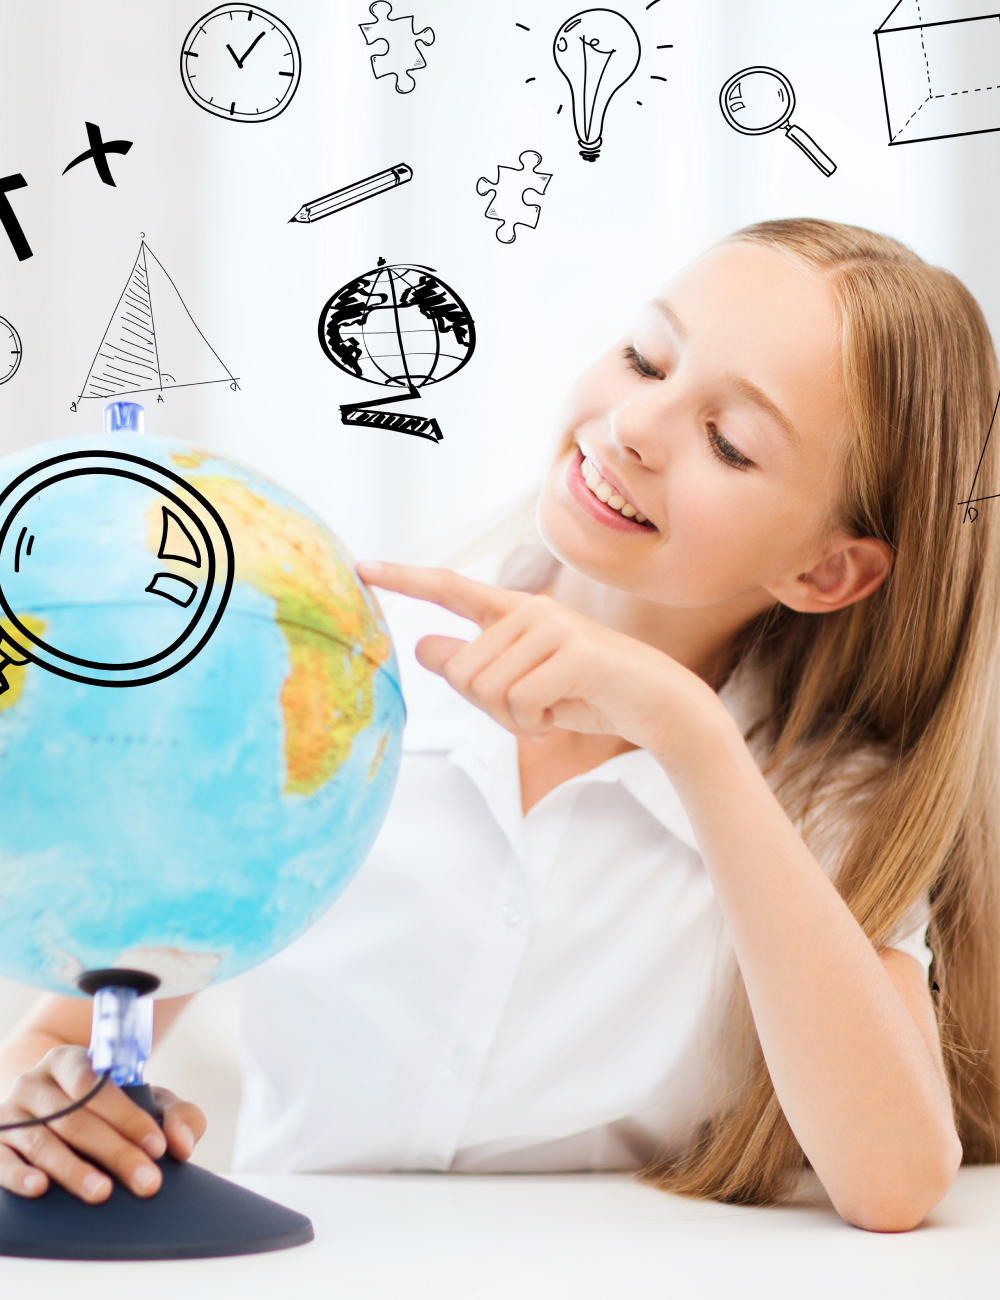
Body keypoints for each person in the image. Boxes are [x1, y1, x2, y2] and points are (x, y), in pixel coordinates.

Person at [1, 218, 998, 1233]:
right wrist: (37, 1106)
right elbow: (66, 1026)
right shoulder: (319, 679)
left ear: (824, 570)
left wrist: (688, 734)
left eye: (727, 441)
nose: (635, 428)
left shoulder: (821, 806)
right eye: (641, 358)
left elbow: (895, 1181)